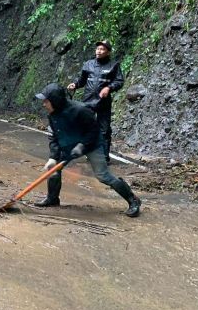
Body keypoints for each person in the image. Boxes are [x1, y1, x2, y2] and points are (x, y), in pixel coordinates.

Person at [34, 83, 141, 217]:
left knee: (103, 176)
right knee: (54, 169)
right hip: (69, 146)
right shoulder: (52, 115)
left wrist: (82, 145)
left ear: (55, 101)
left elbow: (94, 131)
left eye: (46, 101)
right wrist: (53, 157)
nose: (43, 104)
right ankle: (52, 198)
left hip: (91, 144)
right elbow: (54, 137)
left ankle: (133, 200)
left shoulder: (81, 110)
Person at [67, 40, 124, 163]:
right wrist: (75, 84)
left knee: (104, 130)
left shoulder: (113, 65)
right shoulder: (88, 64)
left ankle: (103, 157)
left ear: (108, 52)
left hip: (103, 102)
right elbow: (82, 80)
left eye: (102, 49)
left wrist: (109, 88)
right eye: (98, 48)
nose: (99, 51)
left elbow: (119, 81)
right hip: (88, 101)